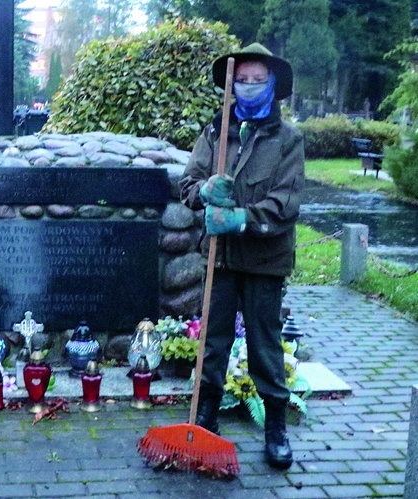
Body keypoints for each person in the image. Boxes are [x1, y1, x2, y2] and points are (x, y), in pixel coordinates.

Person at [179, 43, 304, 470]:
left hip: (265, 259)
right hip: (220, 258)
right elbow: (189, 182)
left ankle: (276, 429)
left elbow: (285, 205)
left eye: (258, 80)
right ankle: (206, 419)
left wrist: (238, 218)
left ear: (272, 85)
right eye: (242, 80)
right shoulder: (217, 131)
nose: (249, 87)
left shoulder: (287, 139)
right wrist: (204, 192)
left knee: (264, 345)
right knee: (212, 342)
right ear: (231, 85)